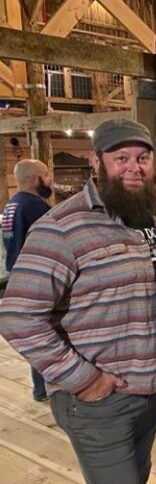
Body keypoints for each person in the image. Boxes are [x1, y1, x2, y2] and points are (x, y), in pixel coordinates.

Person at [0, 119, 156, 484]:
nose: (133, 167)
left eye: (142, 157)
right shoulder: (62, 226)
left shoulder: (154, 215)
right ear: (96, 162)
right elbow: (18, 316)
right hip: (97, 399)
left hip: (149, 389)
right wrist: (85, 379)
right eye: (121, 158)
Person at [1, 159, 53, 401]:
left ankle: (40, 387)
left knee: (35, 331)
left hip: (18, 275)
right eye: (46, 175)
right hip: (36, 278)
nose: (50, 179)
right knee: (48, 332)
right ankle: (46, 386)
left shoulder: (12, 204)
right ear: (34, 178)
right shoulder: (35, 207)